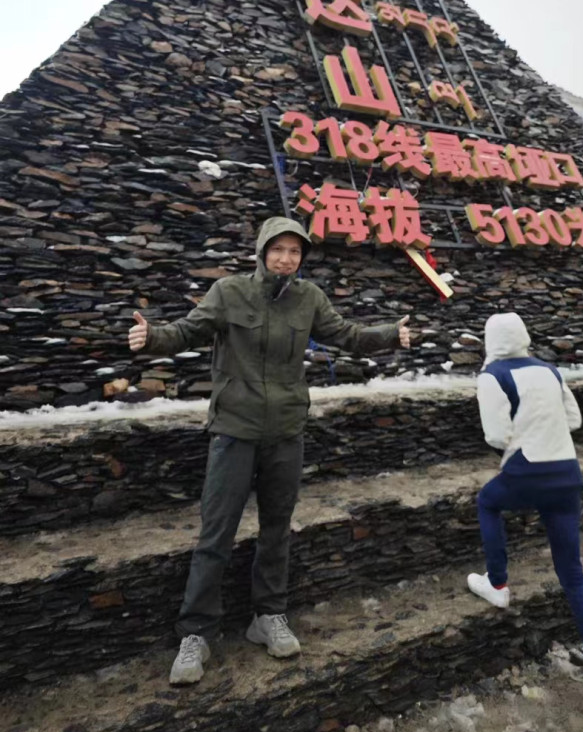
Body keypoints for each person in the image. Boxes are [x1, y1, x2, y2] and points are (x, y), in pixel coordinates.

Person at [128, 217, 411, 685]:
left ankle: (268, 616)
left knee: (276, 529)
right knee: (216, 534)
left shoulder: (309, 299)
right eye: (277, 249)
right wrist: (151, 336)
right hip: (234, 431)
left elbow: (348, 335)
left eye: (294, 251)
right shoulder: (229, 292)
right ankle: (196, 632)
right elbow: (186, 331)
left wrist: (389, 334)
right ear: (262, 252)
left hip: (286, 432)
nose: (285, 258)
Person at [466, 312, 583, 714]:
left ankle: (498, 583)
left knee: (487, 502)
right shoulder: (548, 369)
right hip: (565, 470)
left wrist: (521, 439)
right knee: (572, 575)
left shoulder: (492, 376)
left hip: (526, 467)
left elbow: (496, 435)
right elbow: (574, 419)